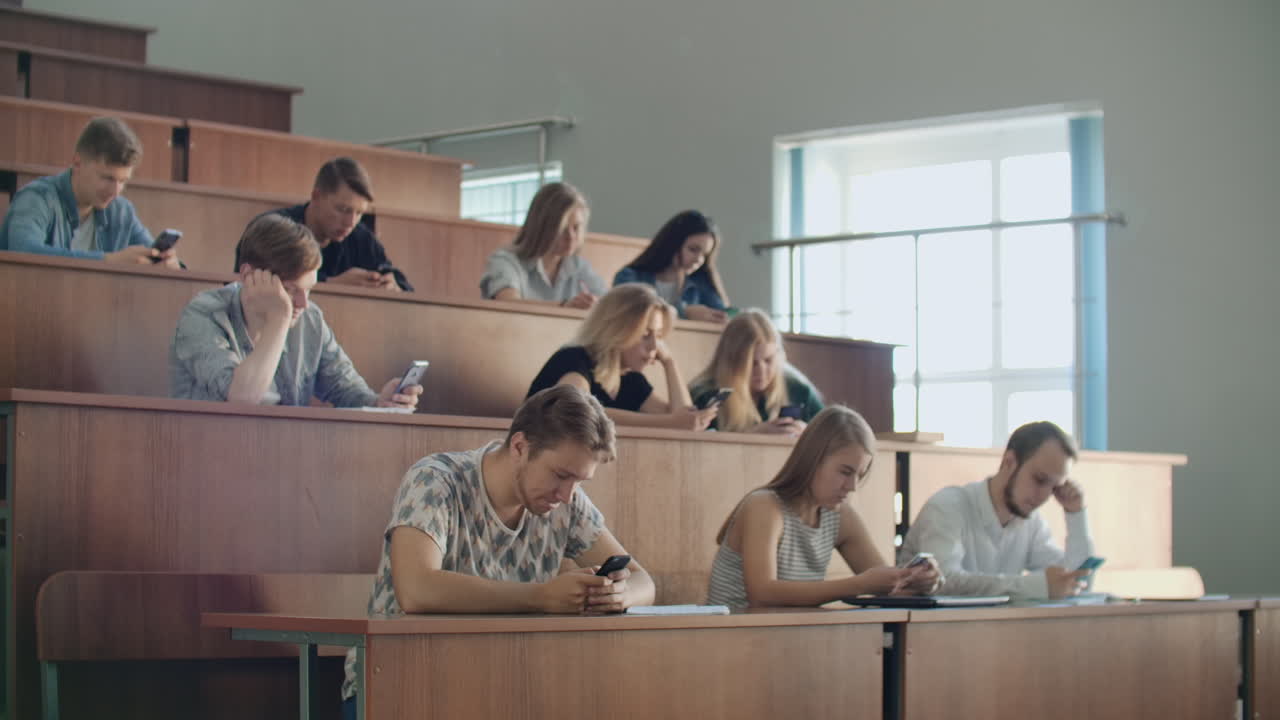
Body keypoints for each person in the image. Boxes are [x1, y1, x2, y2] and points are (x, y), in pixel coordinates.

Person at [340, 385, 656, 715]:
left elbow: (643, 582)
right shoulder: (436, 480)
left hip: (498, 687)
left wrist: (617, 596)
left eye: (579, 482)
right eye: (561, 475)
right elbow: (417, 589)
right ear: (520, 446)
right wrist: (542, 597)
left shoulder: (566, 503)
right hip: (397, 685)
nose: (567, 494)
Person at [170, 214, 422, 408]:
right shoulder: (202, 315)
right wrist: (278, 319)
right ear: (248, 276)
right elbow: (243, 399)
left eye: (309, 289)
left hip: (282, 456)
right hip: (208, 455)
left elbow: (344, 388)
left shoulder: (309, 318)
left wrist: (380, 402)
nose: (302, 303)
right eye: (291, 290)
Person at [707, 406, 939, 609]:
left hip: (787, 640)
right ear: (813, 460)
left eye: (860, 475)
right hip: (734, 640)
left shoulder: (839, 516)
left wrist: (916, 580)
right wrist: (859, 585)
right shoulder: (764, 506)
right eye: (845, 472)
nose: (852, 486)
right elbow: (762, 595)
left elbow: (887, 587)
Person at [898, 421, 1095, 600]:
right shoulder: (947, 506)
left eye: (1054, 487)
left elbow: (1076, 582)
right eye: (1040, 479)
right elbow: (942, 582)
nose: (1044, 496)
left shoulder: (1032, 522)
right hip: (927, 634)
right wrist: (1035, 586)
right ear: (1009, 462)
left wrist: (1076, 514)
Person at [525, 284, 716, 430]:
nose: (654, 347)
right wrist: (669, 422)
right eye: (644, 334)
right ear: (617, 330)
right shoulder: (573, 358)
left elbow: (681, 419)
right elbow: (578, 409)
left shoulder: (630, 379)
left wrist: (669, 362)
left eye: (658, 337)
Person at [0, 116, 180, 267]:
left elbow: (149, 252)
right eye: (107, 178)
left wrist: (167, 264)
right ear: (77, 163)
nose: (115, 192)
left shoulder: (122, 211)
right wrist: (107, 261)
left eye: (123, 181)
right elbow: (24, 252)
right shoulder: (36, 199)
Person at [236, 157, 412, 291]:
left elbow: (400, 282)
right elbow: (257, 281)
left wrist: (390, 283)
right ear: (316, 196)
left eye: (359, 213)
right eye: (342, 209)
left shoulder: (361, 237)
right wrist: (330, 284)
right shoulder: (272, 229)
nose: (350, 222)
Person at [689, 310, 823, 436]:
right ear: (732, 361)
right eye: (752, 363)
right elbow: (702, 451)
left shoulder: (798, 391)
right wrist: (754, 436)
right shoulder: (708, 397)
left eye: (768, 360)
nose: (761, 371)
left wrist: (808, 435)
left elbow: (833, 434)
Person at [479, 181, 607, 308]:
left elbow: (609, 303)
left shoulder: (579, 266)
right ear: (541, 227)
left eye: (576, 227)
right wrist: (564, 307)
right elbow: (507, 303)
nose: (571, 237)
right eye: (562, 229)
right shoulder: (505, 261)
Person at [613, 209, 730, 322]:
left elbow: (724, 316)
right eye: (693, 249)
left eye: (705, 254)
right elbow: (628, 317)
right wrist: (684, 312)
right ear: (673, 244)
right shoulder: (629, 277)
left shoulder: (702, 283)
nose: (699, 259)